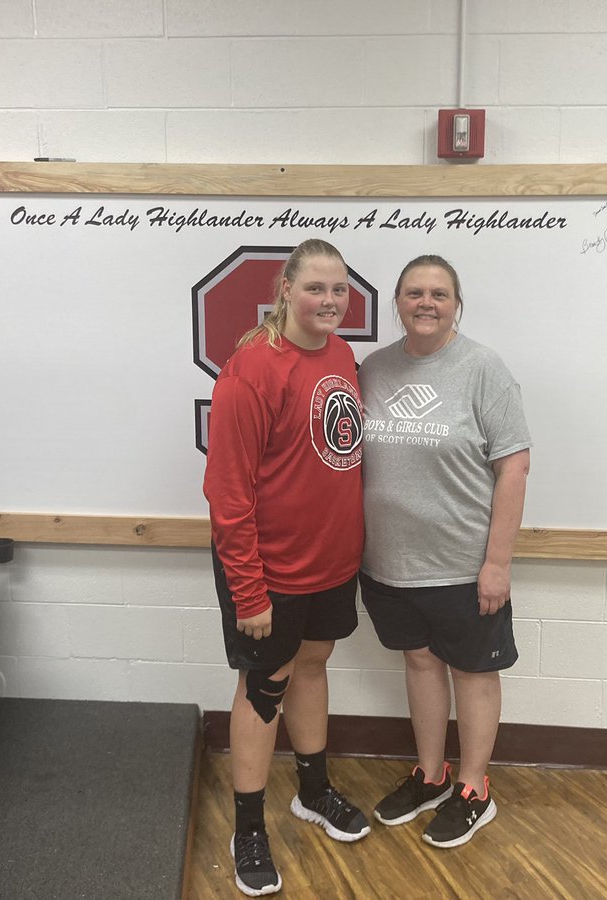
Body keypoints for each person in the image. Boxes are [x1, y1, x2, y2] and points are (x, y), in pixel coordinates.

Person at [204, 238, 369, 897]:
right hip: (267, 574)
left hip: (332, 562)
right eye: (316, 289)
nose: (329, 301)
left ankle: (312, 789)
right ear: (285, 291)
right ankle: (249, 826)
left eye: (339, 290)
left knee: (312, 665)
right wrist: (248, 592)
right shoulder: (251, 370)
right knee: (264, 684)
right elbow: (226, 493)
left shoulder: (343, 354)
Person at [358, 254, 531, 848]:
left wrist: (497, 563)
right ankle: (431, 775)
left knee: (474, 674)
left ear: (457, 303)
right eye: (413, 293)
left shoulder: (483, 368)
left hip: (463, 564)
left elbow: (514, 466)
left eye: (438, 293)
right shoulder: (373, 369)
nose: (425, 303)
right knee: (420, 664)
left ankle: (475, 789)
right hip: (387, 563)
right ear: (397, 302)